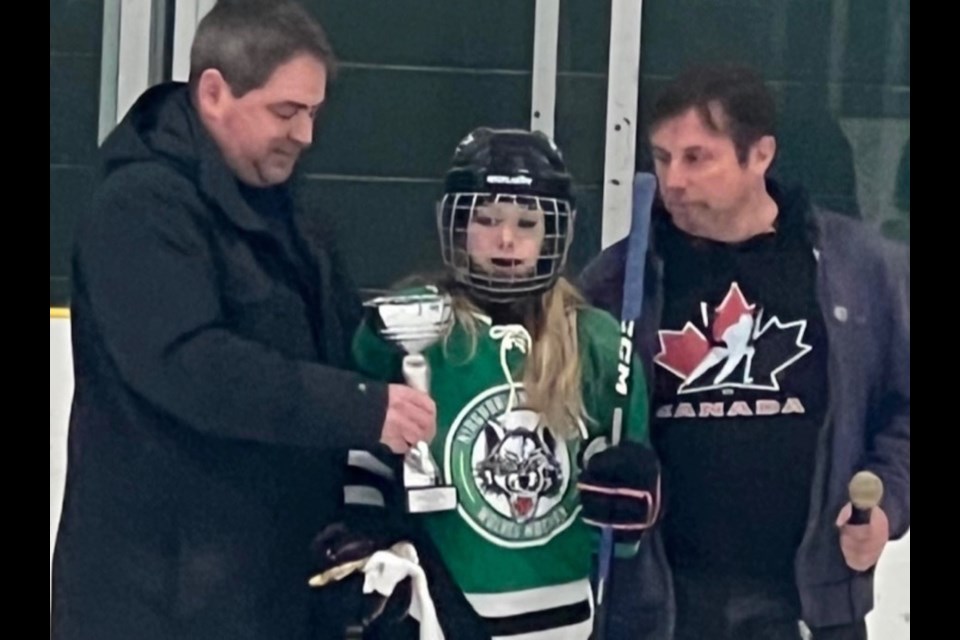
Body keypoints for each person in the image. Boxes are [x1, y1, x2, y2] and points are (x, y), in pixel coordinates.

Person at [50, 2, 435, 639]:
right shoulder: (137, 209)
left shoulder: (295, 218)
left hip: (269, 590)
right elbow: (192, 365)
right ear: (214, 92)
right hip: (154, 601)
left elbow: (343, 348)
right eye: (286, 111)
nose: (305, 134)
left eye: (312, 112)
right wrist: (361, 407)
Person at [579, 63, 910, 640]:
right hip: (662, 610)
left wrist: (887, 505)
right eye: (660, 158)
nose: (672, 180)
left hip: (809, 607)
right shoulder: (619, 279)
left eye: (696, 158)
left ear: (760, 155)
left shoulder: (860, 270)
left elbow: (905, 409)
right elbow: (564, 418)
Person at [323, 128, 661, 639]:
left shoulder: (597, 342)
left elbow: (621, 527)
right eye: (487, 219)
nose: (507, 239)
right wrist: (366, 534)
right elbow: (361, 448)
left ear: (555, 233)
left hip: (563, 615)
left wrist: (626, 497)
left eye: (527, 222)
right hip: (440, 611)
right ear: (458, 224)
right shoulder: (411, 323)